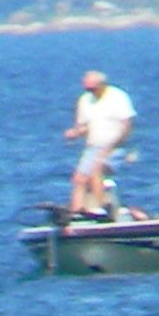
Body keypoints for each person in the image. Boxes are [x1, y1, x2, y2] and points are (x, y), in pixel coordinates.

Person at [63, 68, 136, 214]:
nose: (91, 92)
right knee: (79, 179)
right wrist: (75, 133)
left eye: (93, 89)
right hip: (93, 147)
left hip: (116, 147)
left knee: (97, 170)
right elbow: (85, 127)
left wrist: (112, 146)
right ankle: (76, 212)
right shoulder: (85, 100)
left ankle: (104, 207)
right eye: (88, 89)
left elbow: (127, 126)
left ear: (102, 85)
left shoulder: (118, 97)